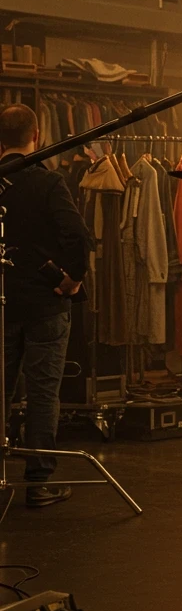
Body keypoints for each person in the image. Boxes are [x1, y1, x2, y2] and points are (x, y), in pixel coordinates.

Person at [0, 105, 93, 506]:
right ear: (36, 135)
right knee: (42, 392)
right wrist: (72, 278)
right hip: (45, 303)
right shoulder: (48, 182)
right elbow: (77, 236)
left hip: (3, 301)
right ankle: (39, 482)